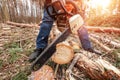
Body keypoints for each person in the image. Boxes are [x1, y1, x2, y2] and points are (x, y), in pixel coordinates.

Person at [29, 0, 101, 62]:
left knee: (79, 22)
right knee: (46, 21)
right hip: (53, 2)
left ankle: (87, 47)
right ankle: (40, 47)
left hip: (74, 2)